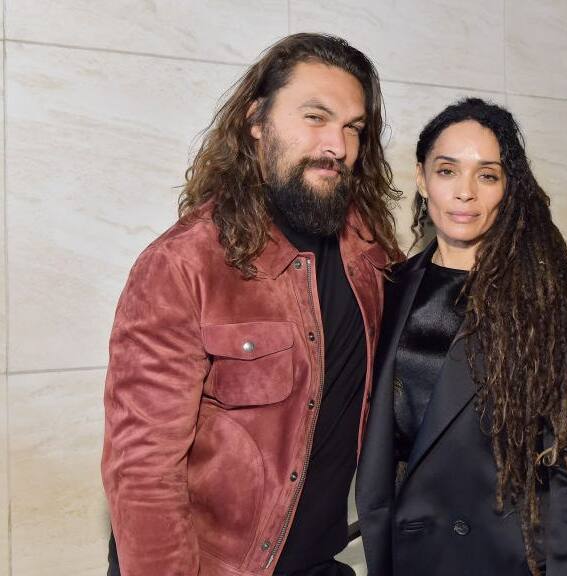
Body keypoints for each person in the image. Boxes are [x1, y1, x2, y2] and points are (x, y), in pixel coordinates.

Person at [101, 33, 401, 576]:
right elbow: (141, 471)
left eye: (353, 127)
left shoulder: (370, 254)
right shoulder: (183, 265)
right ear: (256, 120)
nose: (337, 144)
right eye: (315, 116)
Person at [355, 98, 567, 576]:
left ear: (508, 188)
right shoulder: (386, 289)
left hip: (507, 556)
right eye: (447, 170)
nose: (464, 193)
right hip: (407, 553)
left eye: (487, 175)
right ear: (421, 177)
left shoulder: (555, 299)